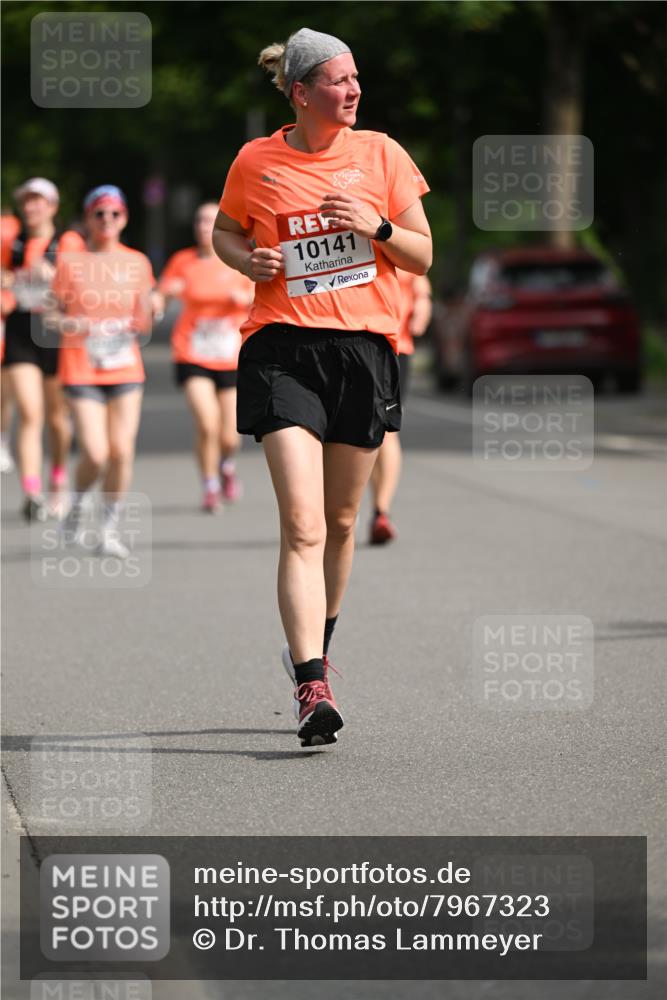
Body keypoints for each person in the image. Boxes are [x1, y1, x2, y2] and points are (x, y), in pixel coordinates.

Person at [213, 28, 431, 747]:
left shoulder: (382, 155)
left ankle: (317, 645)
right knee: (303, 523)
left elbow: (422, 255)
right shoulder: (257, 159)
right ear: (302, 93)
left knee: (341, 523)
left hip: (364, 352)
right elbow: (224, 232)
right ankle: (312, 684)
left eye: (356, 79)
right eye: (338, 82)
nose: (353, 91)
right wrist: (250, 261)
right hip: (280, 348)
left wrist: (375, 225)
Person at [49, 185, 160, 558]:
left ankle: (109, 529)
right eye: (99, 213)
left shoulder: (137, 262)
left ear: (125, 218)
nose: (107, 220)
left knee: (122, 452)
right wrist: (68, 324)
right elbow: (50, 311)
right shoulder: (71, 263)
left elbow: (144, 319)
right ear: (87, 219)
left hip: (125, 366)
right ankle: (77, 505)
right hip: (81, 367)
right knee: (95, 453)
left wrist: (153, 306)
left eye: (114, 213)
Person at [160, 202, 253, 512]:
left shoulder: (237, 258)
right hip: (192, 352)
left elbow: (262, 292)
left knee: (230, 435)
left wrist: (245, 298)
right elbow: (161, 293)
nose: (203, 226)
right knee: (207, 424)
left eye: (209, 221)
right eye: (199, 221)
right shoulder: (182, 261)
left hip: (229, 355)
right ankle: (210, 484)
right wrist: (161, 297)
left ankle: (226, 464)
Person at [0, 180, 83, 520]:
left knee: (57, 420)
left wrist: (54, 275)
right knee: (30, 413)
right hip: (21, 330)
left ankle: (57, 479)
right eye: (27, 202)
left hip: (55, 334)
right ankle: (32, 492)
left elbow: (82, 283)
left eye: (39, 202)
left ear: (52, 206)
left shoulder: (67, 241)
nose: (32, 208)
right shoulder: (13, 241)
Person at [368, 269, 432, 544]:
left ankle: (381, 510)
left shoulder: (395, 234)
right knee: (362, 431)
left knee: (386, 429)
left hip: (394, 348)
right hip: (353, 344)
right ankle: (367, 510)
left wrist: (422, 308)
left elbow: (422, 287)